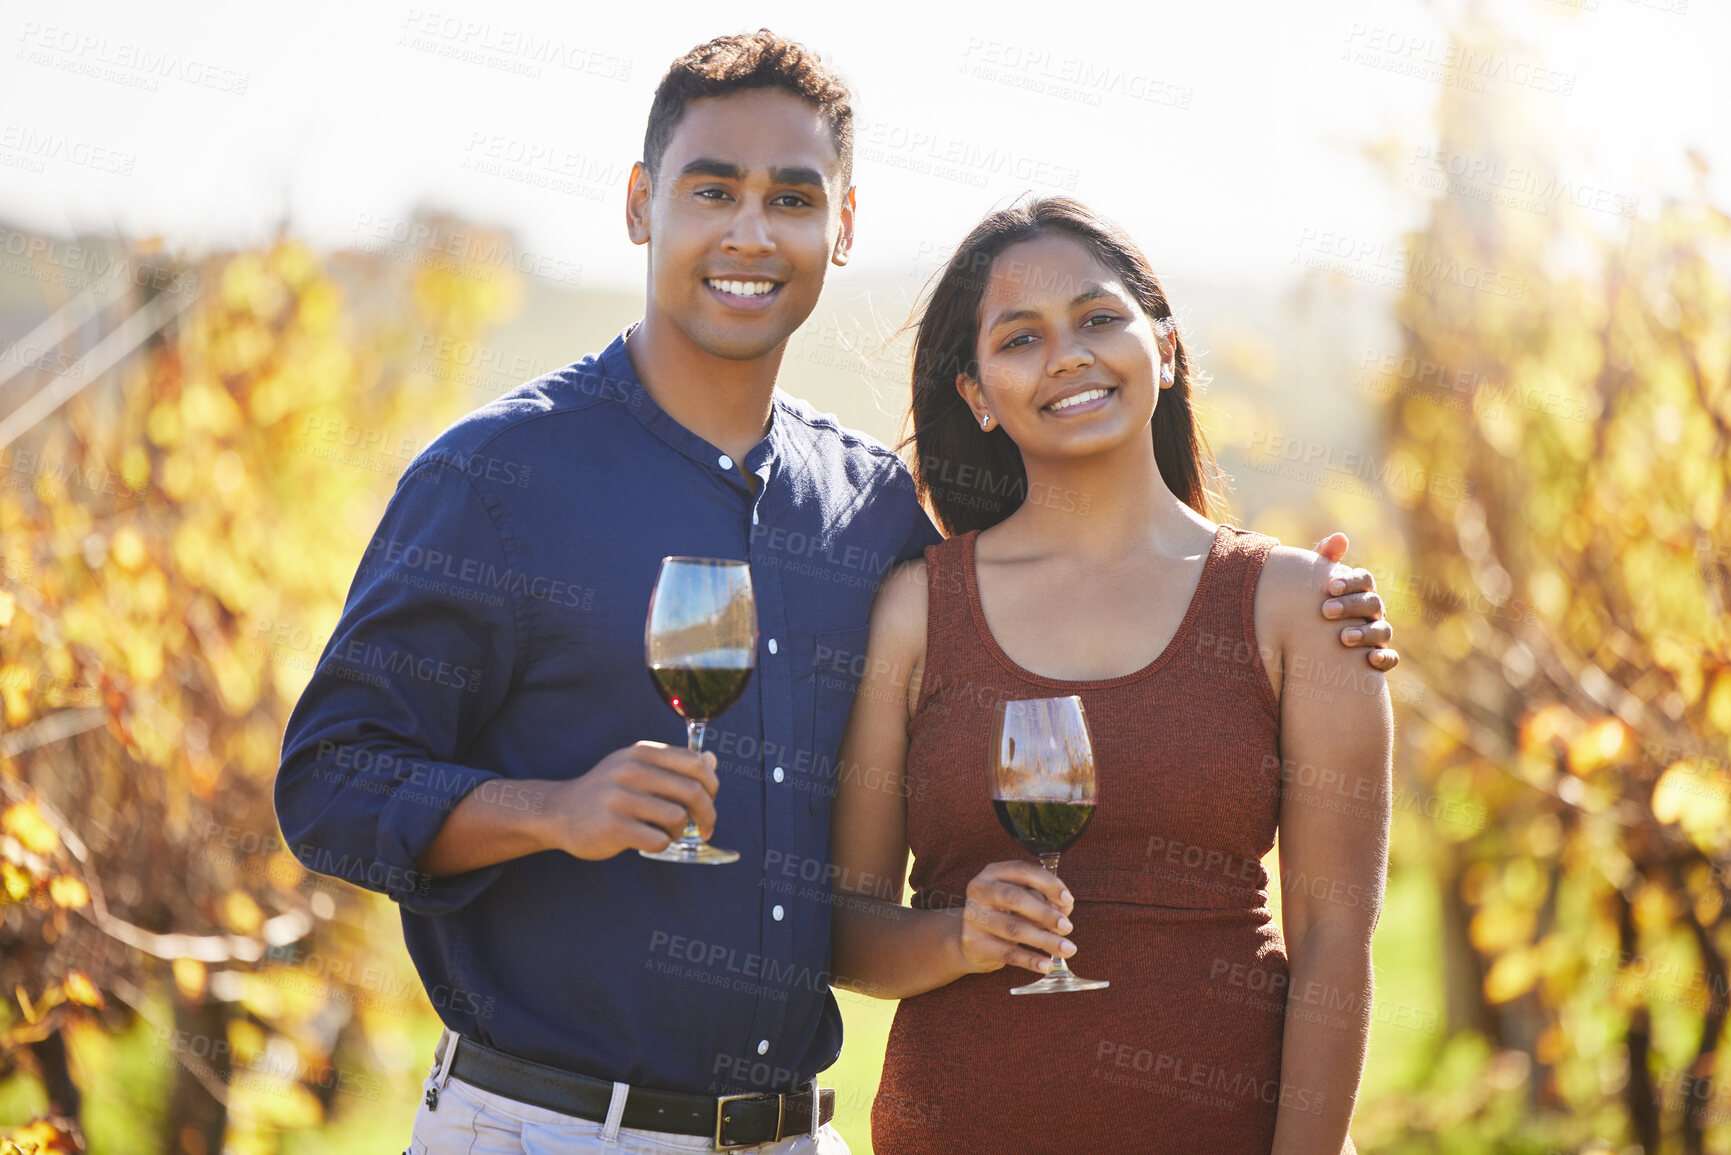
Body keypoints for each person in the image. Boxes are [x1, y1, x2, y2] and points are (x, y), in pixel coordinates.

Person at [273, 32, 1396, 1155]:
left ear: (842, 227)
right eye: (713, 190)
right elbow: (328, 781)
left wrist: (1304, 604)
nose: (752, 233)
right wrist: (557, 811)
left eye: (793, 198)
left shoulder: (869, 517)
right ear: (638, 204)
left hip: (789, 1136)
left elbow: (1065, 597)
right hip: (552, 1129)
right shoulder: (497, 481)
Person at [829, 198, 1395, 1153]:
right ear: (975, 393)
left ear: (1163, 349)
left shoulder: (1303, 608)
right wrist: (956, 937)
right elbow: (842, 926)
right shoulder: (915, 612)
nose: (1066, 355)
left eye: (1098, 319)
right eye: (1020, 337)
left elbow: (1334, 946)